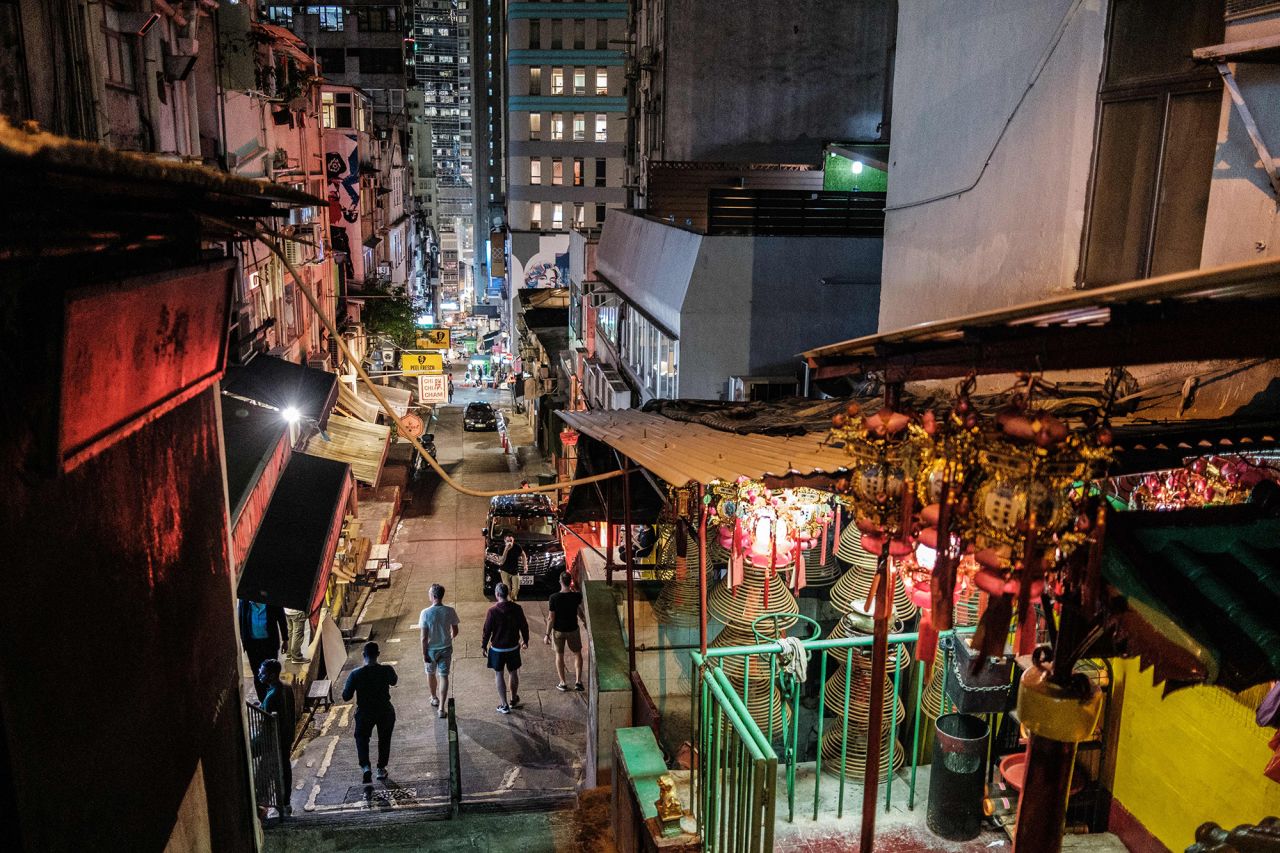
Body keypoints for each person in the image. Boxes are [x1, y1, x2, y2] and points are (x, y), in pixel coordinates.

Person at [341, 641, 399, 784]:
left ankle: (366, 766)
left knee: (361, 738)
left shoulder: (356, 674)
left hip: (365, 712)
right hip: (384, 709)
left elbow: (346, 696)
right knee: (384, 739)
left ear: (363, 655)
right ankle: (381, 768)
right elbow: (394, 681)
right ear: (378, 654)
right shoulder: (386, 670)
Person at [481, 583, 529, 714]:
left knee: (499, 674)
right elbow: (524, 626)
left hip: (497, 649)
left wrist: (484, 645)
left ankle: (504, 704)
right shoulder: (517, 608)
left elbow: (487, 630)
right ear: (507, 593)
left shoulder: (492, 611)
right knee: (513, 672)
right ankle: (513, 699)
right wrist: (525, 640)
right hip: (513, 647)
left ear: (497, 595)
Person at [257, 659, 296, 815]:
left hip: (274, 741)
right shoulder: (286, 687)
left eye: (262, 672)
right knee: (285, 769)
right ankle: (285, 803)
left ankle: (264, 805)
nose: (259, 674)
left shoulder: (272, 695)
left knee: (264, 774)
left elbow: (266, 720)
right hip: (286, 738)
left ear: (272, 675)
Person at [418, 584, 460, 719]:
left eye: (429, 593)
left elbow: (424, 637)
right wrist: (449, 638)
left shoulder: (425, 613)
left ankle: (434, 698)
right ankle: (442, 708)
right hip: (446, 648)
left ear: (433, 596)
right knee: (444, 676)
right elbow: (455, 630)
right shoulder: (450, 611)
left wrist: (424, 654)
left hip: (431, 649)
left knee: (430, 673)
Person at [544, 571, 587, 692]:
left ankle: (563, 683)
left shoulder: (553, 598)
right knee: (577, 653)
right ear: (570, 582)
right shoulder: (576, 596)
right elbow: (578, 605)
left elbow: (551, 618)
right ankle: (578, 682)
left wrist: (547, 634)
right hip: (573, 629)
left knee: (559, 655)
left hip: (558, 630)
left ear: (560, 582)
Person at [238, 599, 287, 699]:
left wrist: (285, 639)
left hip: (270, 644)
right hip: (253, 646)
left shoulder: (271, 600)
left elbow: (281, 618)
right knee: (258, 674)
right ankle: (263, 701)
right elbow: (241, 620)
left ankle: (274, 699)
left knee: (271, 674)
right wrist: (244, 642)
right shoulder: (245, 601)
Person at [485, 530, 528, 601]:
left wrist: (525, 565)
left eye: (511, 540)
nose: (510, 542)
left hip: (514, 570)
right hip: (505, 570)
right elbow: (501, 561)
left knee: (517, 588)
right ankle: (510, 602)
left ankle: (512, 598)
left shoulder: (517, 546)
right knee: (507, 588)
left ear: (513, 539)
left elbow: (523, 554)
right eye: (508, 541)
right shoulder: (501, 548)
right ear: (505, 541)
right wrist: (506, 550)